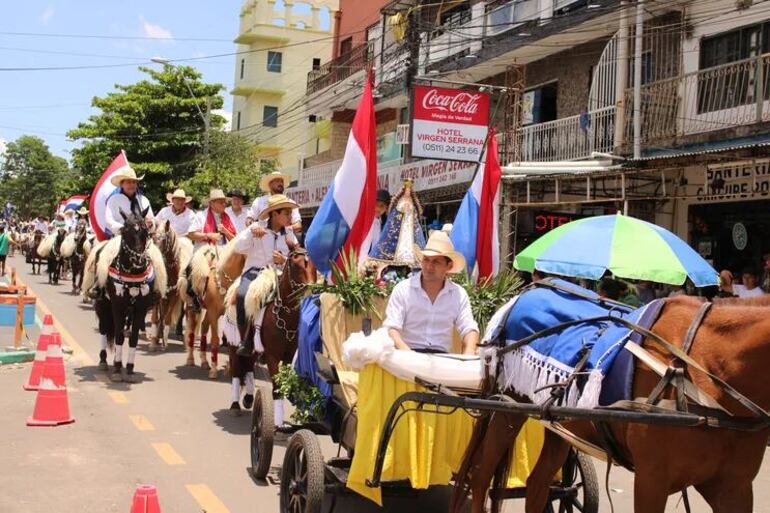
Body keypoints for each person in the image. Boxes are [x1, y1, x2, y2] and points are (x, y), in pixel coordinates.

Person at [229, 194, 299, 414]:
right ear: (274, 214)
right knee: (243, 296)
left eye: (289, 212)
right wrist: (251, 232)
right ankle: (247, 340)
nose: (289, 216)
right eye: (285, 213)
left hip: (279, 275)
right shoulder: (257, 228)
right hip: (255, 273)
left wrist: (285, 260)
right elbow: (238, 247)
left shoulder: (289, 235)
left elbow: (298, 258)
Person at [383, 230, 479, 355]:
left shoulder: (458, 294)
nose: (429, 267)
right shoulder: (403, 289)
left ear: (448, 266)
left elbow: (469, 329)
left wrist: (469, 353)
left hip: (442, 360)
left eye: (436, 262)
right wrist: (408, 355)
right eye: (426, 260)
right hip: (406, 357)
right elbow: (391, 328)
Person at [104, 166, 154, 236]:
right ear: (122, 184)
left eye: (134, 182)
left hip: (142, 237)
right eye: (128, 182)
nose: (132, 185)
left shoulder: (144, 200)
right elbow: (109, 220)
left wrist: (150, 223)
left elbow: (151, 220)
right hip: (120, 236)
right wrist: (124, 228)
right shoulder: (113, 200)